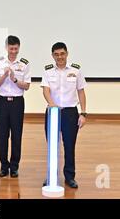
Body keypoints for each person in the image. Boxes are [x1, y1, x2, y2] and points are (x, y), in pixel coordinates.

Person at [41, 42, 87, 189]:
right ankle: (51, 176)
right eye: (56, 54)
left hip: (70, 113)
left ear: (67, 53)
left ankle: (69, 176)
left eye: (62, 54)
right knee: (52, 146)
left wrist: (83, 113)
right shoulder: (48, 71)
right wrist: (51, 103)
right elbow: (46, 90)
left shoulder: (76, 70)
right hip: (53, 112)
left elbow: (81, 91)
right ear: (52, 55)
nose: (59, 57)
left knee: (69, 146)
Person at [0, 35, 31, 178]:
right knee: (2, 135)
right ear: (6, 47)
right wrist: (4, 76)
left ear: (19, 48)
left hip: (17, 102)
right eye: (11, 48)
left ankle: (14, 167)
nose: (13, 51)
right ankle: (3, 166)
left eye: (16, 48)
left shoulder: (24, 64)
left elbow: (26, 86)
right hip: (2, 101)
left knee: (16, 135)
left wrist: (14, 79)